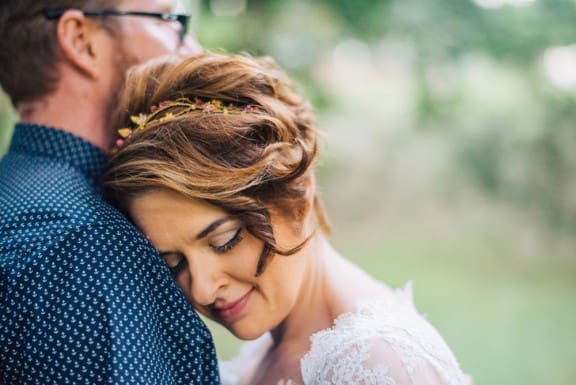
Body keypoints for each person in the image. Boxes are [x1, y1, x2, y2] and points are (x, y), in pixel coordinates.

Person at [101, 52, 473, 385]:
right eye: (172, 262)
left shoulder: (379, 366)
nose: (200, 289)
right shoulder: (271, 347)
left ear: (300, 185)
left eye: (225, 240)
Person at [0, 1, 219, 384]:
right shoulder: (85, 247)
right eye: (171, 21)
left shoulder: (17, 193)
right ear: (81, 40)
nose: (194, 50)